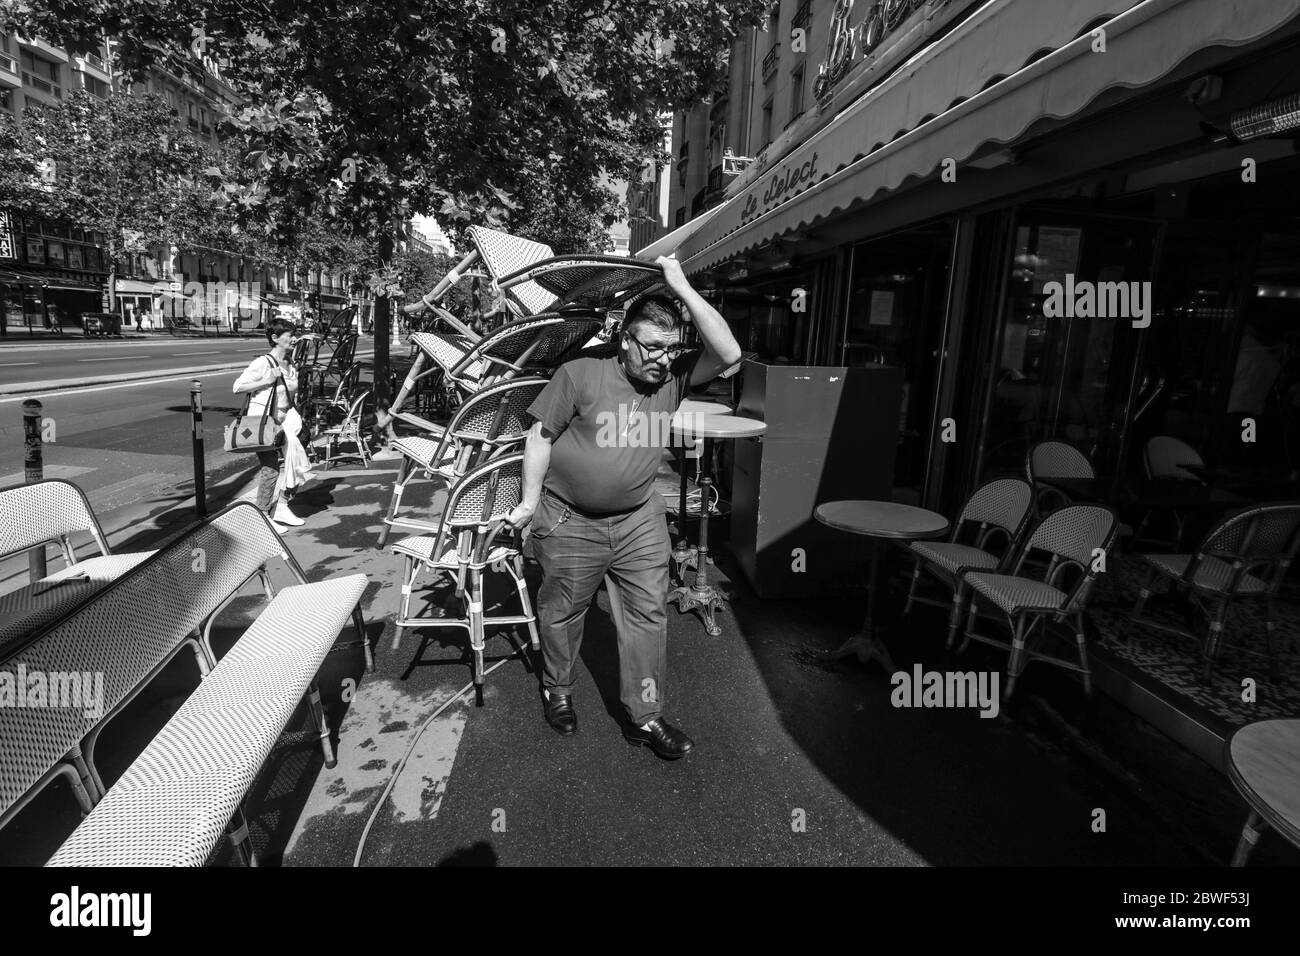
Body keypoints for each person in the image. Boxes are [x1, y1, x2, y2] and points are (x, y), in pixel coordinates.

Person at [505, 256, 742, 760]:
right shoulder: (579, 375)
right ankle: (559, 690)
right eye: (651, 347)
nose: (662, 358)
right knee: (563, 614)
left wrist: (681, 283)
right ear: (624, 340)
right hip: (569, 519)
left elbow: (728, 351)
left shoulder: (673, 378)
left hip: (639, 520)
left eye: (670, 348)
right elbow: (540, 436)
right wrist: (528, 504)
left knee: (647, 618)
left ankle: (647, 715)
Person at [233, 317, 304, 532]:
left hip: (285, 422)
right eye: (290, 335)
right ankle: (262, 516)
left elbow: (291, 393)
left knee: (297, 462)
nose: (294, 338)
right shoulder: (263, 362)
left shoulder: (290, 363)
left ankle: (282, 505)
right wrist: (266, 381)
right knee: (271, 466)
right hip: (263, 423)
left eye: (294, 334)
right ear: (275, 338)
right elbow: (237, 387)